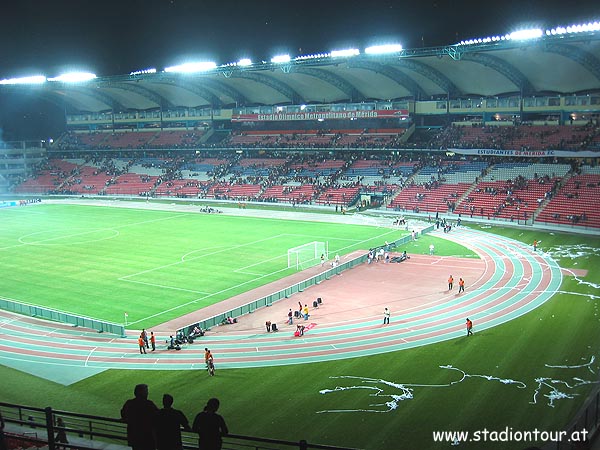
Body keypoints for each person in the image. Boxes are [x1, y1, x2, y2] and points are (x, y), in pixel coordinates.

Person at [121, 384, 159, 450]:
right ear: (142, 393)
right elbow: (158, 415)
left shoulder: (129, 403)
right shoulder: (149, 404)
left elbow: (123, 414)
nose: (147, 393)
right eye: (146, 391)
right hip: (147, 437)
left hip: (134, 437)